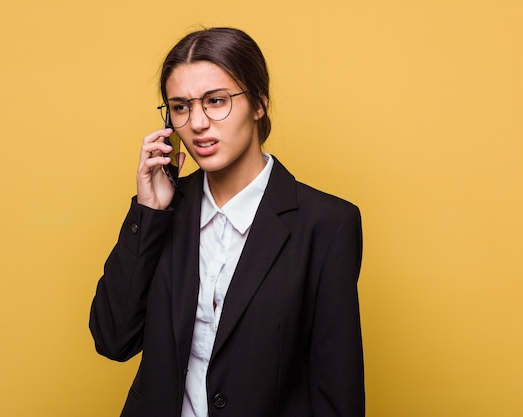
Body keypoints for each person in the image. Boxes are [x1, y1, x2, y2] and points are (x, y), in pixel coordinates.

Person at [89, 27, 365, 417]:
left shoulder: (327, 224)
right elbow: (113, 339)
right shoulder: (165, 213)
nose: (197, 123)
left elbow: (336, 387)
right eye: (181, 106)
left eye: (216, 101)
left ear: (258, 104)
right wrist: (148, 213)